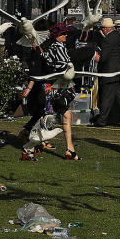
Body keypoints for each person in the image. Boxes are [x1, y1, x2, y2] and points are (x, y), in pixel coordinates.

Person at [42, 23, 80, 160]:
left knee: (65, 115)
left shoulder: (59, 46)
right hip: (55, 87)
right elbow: (61, 66)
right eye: (63, 33)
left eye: (65, 33)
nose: (66, 35)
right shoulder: (56, 47)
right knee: (50, 115)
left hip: (60, 86)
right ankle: (36, 143)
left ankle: (70, 149)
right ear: (57, 36)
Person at [92, 17, 120, 127]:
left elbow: (104, 57)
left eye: (102, 29)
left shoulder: (108, 39)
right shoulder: (119, 36)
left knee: (106, 97)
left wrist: (97, 57)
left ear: (105, 29)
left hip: (110, 72)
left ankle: (102, 121)